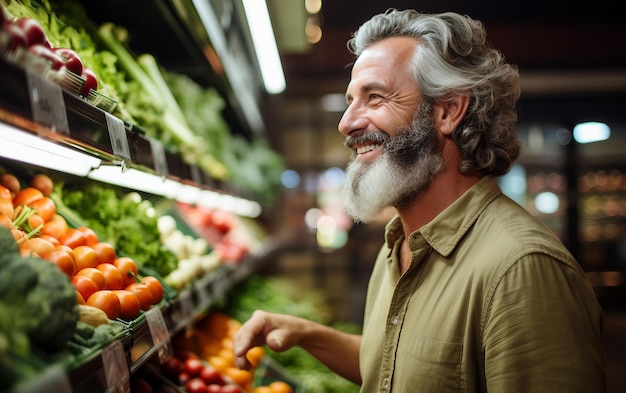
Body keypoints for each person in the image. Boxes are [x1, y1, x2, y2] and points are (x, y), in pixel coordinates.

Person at [233, 8, 605, 392]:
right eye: (350, 100)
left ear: (447, 111)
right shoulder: (399, 246)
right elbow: (393, 368)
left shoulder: (522, 269)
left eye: (374, 97)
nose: (346, 122)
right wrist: (307, 334)